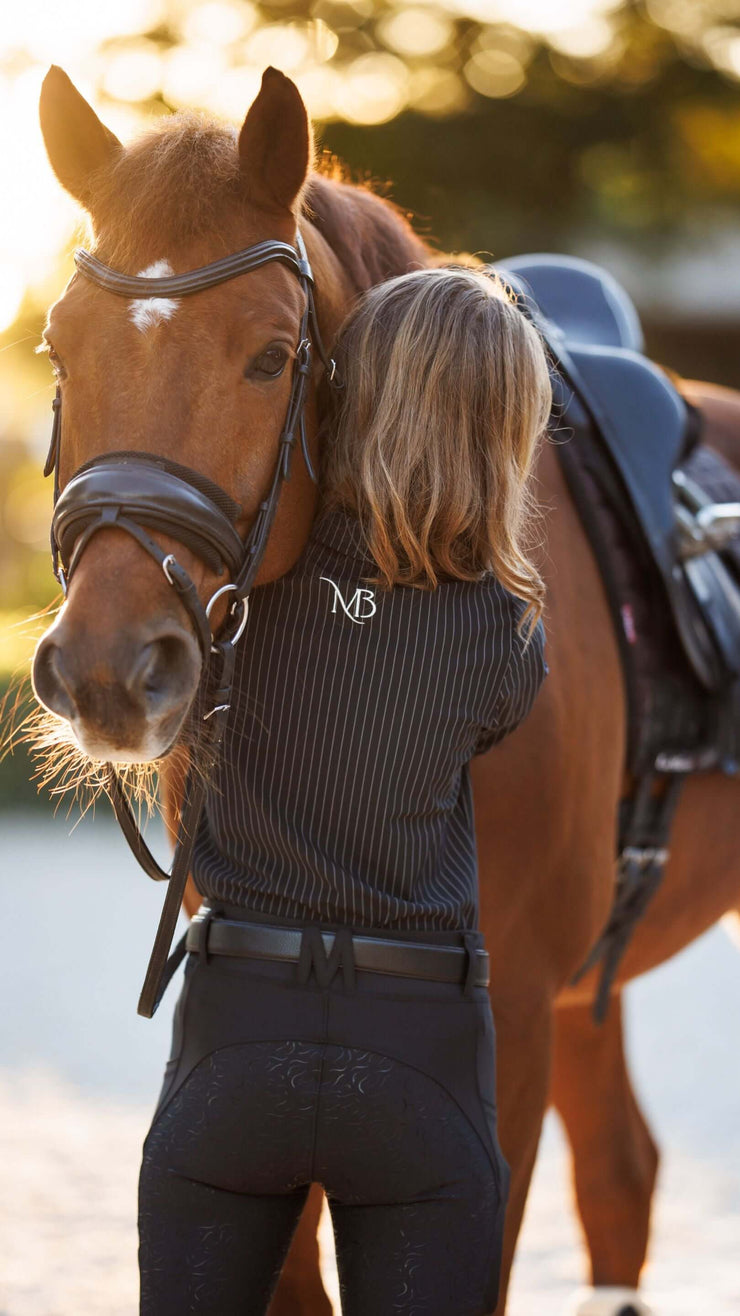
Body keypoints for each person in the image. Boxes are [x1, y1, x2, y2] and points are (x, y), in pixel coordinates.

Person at [138, 266, 551, 1316]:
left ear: (345, 390)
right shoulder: (505, 631)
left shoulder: (242, 597)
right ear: (506, 426)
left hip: (236, 1033)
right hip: (416, 1052)